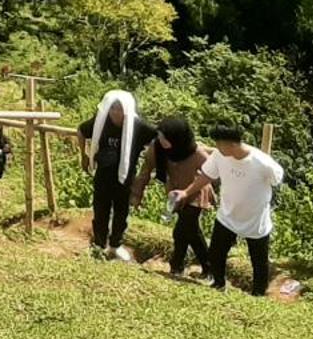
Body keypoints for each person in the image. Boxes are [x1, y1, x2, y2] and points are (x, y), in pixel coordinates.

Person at [198, 125, 284, 295]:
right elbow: (206, 175)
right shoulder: (219, 155)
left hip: (255, 219)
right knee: (216, 252)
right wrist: (186, 192)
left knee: (259, 261)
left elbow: (277, 179)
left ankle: (258, 294)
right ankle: (219, 283)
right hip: (228, 215)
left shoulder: (263, 162)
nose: (217, 147)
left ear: (232, 145)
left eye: (219, 143)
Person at [131, 113, 212, 277]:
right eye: (160, 137)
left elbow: (213, 172)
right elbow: (145, 172)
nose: (162, 141)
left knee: (182, 230)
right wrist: (136, 195)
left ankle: (177, 265)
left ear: (178, 138)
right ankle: (207, 267)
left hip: (196, 193)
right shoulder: (157, 149)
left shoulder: (196, 152)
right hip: (175, 194)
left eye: (165, 138)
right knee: (192, 232)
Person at [77, 91, 153, 261]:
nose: (115, 113)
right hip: (103, 175)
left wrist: (147, 169)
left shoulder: (138, 126)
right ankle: (98, 245)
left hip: (125, 179)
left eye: (120, 109)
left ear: (127, 109)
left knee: (121, 213)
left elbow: (157, 140)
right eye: (112, 108)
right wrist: (84, 155)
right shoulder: (101, 121)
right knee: (100, 210)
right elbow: (81, 131)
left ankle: (115, 246)